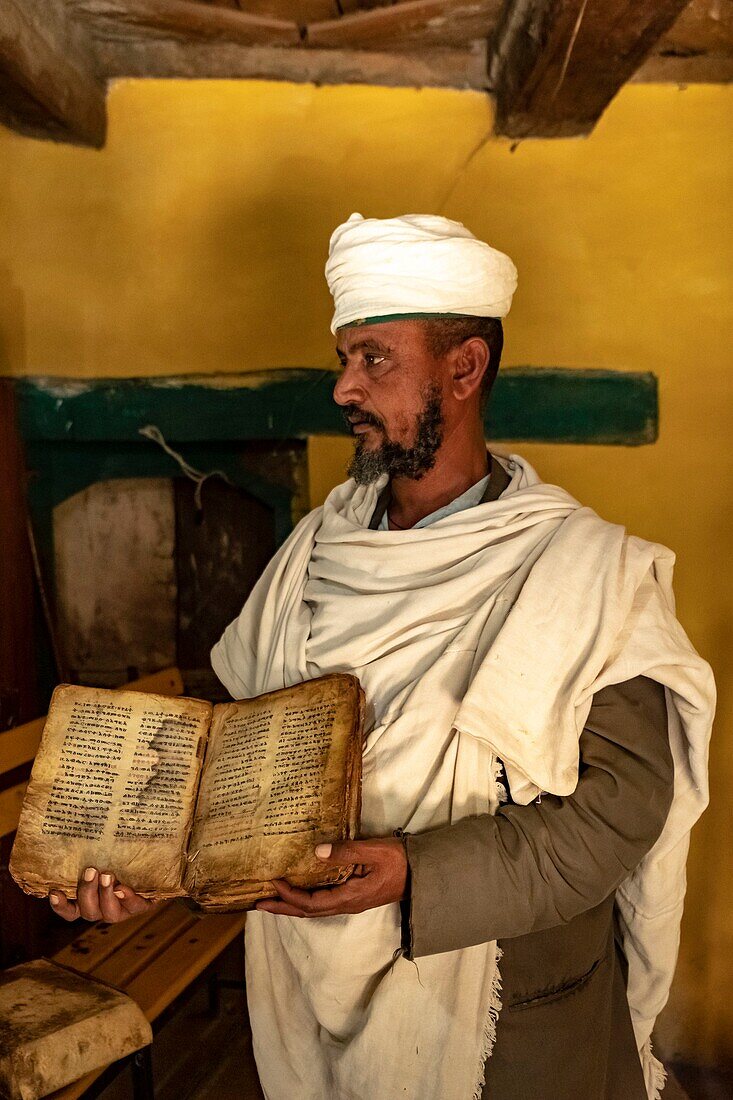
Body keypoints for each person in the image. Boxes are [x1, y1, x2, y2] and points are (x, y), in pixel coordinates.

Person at [50, 213, 715, 1100]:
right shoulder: (314, 553)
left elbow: (617, 816)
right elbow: (233, 774)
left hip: (507, 1021)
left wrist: (417, 872)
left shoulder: (588, 573)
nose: (342, 389)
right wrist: (147, 867)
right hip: (304, 993)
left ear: (465, 367)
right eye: (342, 360)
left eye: (373, 359)